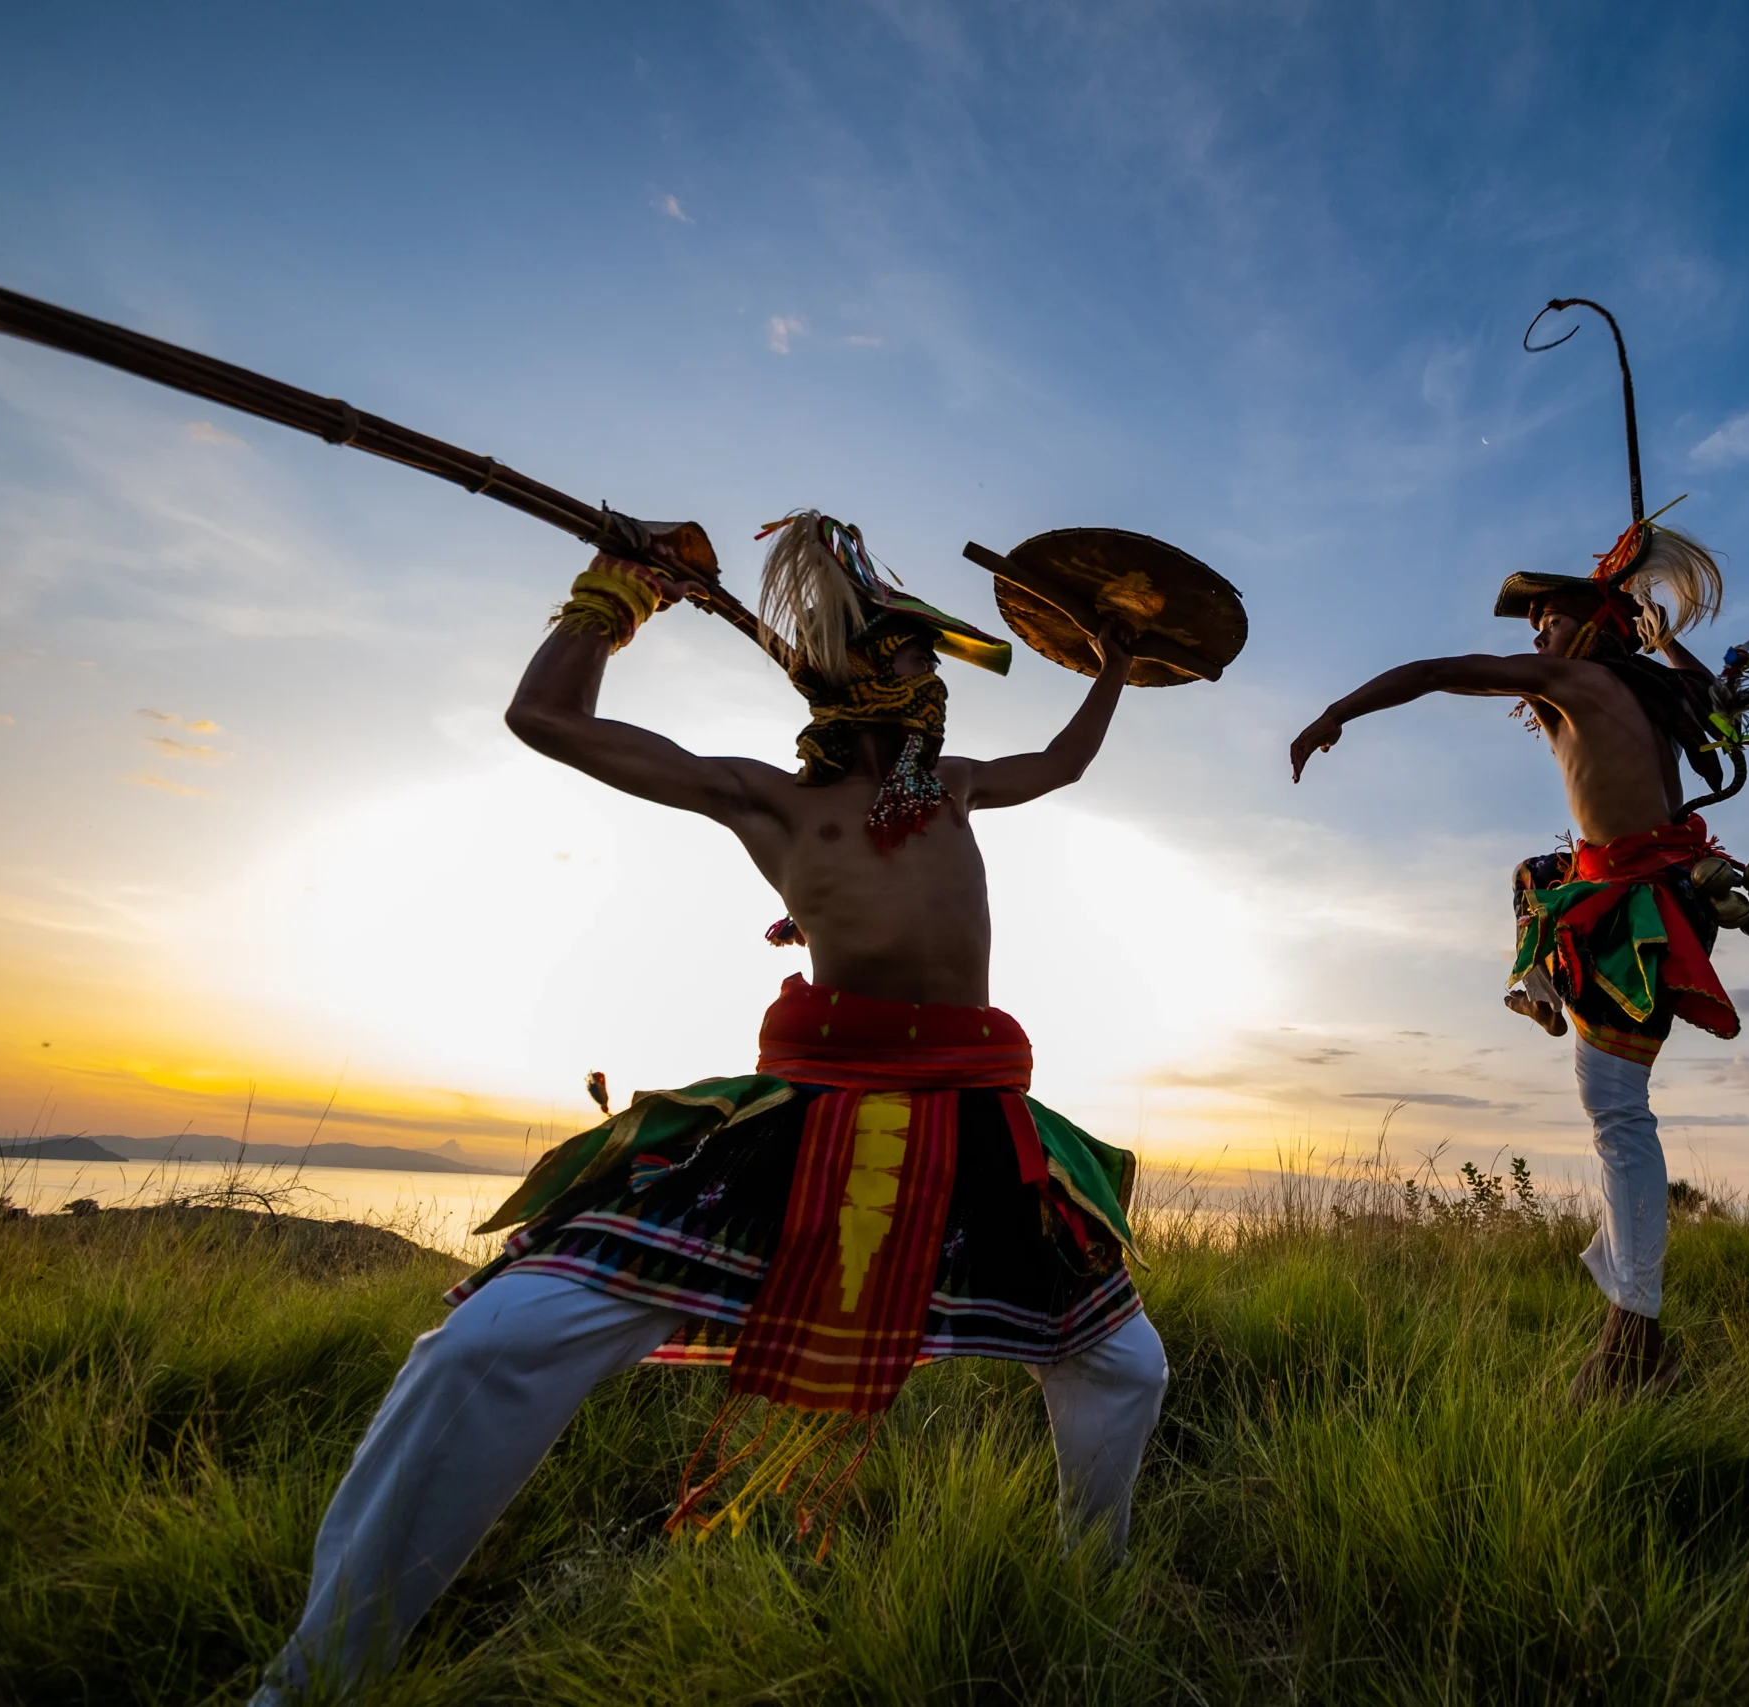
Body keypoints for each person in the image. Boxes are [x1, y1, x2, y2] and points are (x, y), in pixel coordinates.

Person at [253, 512, 1166, 1704]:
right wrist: (613, 598)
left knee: (1123, 1364)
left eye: (930, 661)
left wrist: (1110, 671)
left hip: (973, 1116)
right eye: (912, 654)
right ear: (856, 679)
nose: (933, 676)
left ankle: (1086, 1589)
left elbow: (1066, 763)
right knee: (491, 1343)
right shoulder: (767, 802)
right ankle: (317, 1679)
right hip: (806, 1119)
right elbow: (548, 721)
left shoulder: (953, 788)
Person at [1288, 522, 1745, 1402]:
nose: (1536, 638)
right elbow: (1712, 699)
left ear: (1591, 626)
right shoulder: (1654, 692)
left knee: (1618, 1113)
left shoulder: (1577, 679)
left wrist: (1337, 710)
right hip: (1637, 889)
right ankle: (1537, 986)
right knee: (1541, 879)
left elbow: (1439, 670)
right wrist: (1665, 642)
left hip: (1638, 909)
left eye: (1549, 621)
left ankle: (1637, 1334)